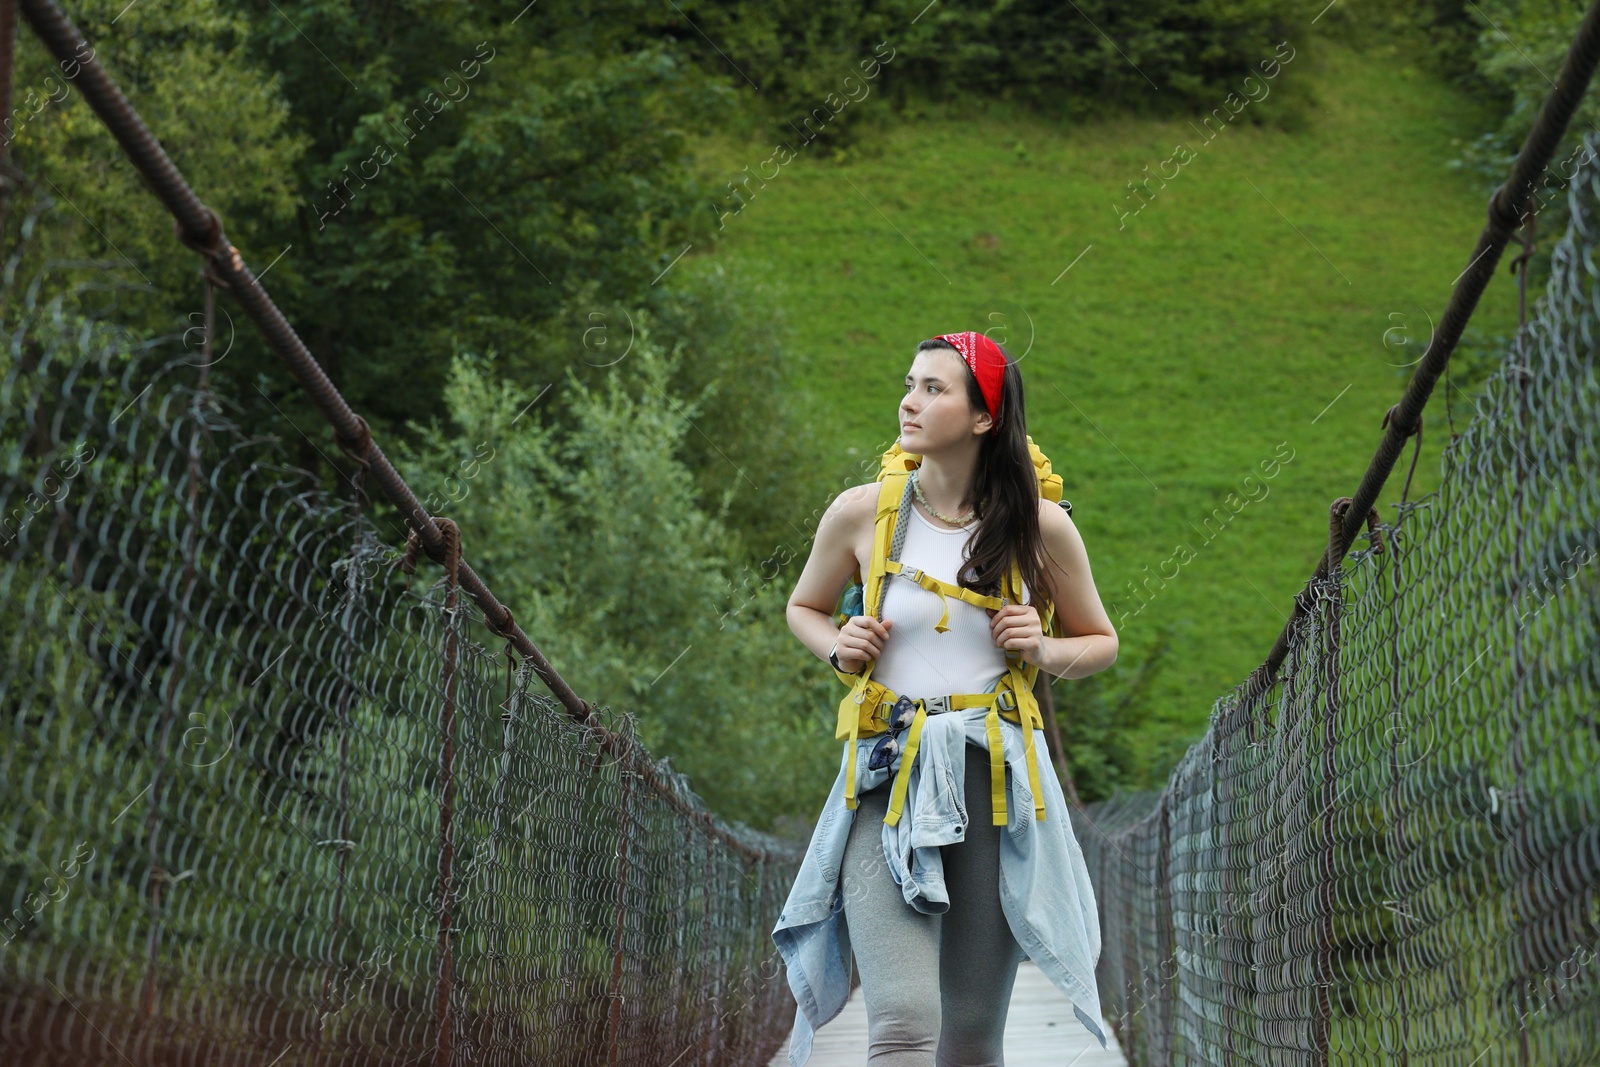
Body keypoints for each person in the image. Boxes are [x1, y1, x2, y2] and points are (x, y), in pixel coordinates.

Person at [774, 332, 1119, 1066]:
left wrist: (1044, 648)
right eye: (910, 383)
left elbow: (1100, 642)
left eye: (935, 388)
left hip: (995, 786)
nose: (910, 400)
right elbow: (802, 607)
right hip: (885, 783)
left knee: (968, 1037)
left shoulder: (1041, 526)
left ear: (984, 416)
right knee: (900, 1021)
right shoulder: (861, 512)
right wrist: (837, 643)